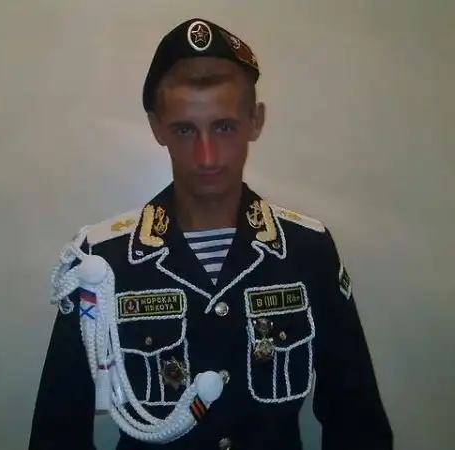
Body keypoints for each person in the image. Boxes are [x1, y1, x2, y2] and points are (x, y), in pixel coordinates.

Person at [28, 18, 393, 450]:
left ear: (255, 121)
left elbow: (357, 422)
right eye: (185, 130)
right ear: (157, 127)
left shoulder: (307, 251)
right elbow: (57, 434)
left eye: (224, 127)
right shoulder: (101, 262)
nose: (206, 156)